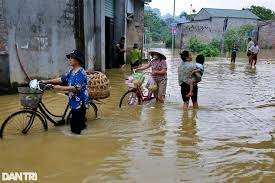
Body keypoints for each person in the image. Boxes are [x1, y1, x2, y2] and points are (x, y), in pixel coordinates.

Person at [42, 50, 89, 135]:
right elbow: (62, 79)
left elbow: (76, 88)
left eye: (72, 58)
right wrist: (46, 81)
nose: (69, 59)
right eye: (70, 58)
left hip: (80, 103)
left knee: (75, 130)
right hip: (73, 101)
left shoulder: (81, 72)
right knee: (78, 125)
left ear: (77, 60)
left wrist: (61, 88)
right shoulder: (72, 71)